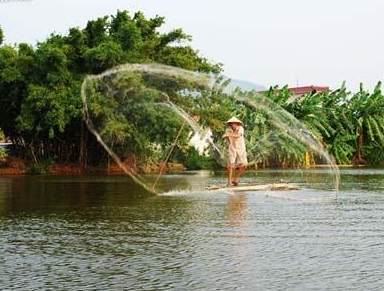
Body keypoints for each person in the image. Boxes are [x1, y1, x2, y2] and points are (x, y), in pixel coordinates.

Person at [222, 117, 248, 187]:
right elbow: (227, 139)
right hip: (232, 148)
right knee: (230, 166)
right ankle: (229, 182)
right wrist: (228, 140)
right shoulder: (228, 130)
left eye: (234, 123)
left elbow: (238, 135)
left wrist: (228, 135)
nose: (233, 125)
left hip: (241, 148)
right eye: (231, 123)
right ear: (230, 124)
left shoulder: (241, 128)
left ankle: (236, 179)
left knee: (244, 165)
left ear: (237, 124)